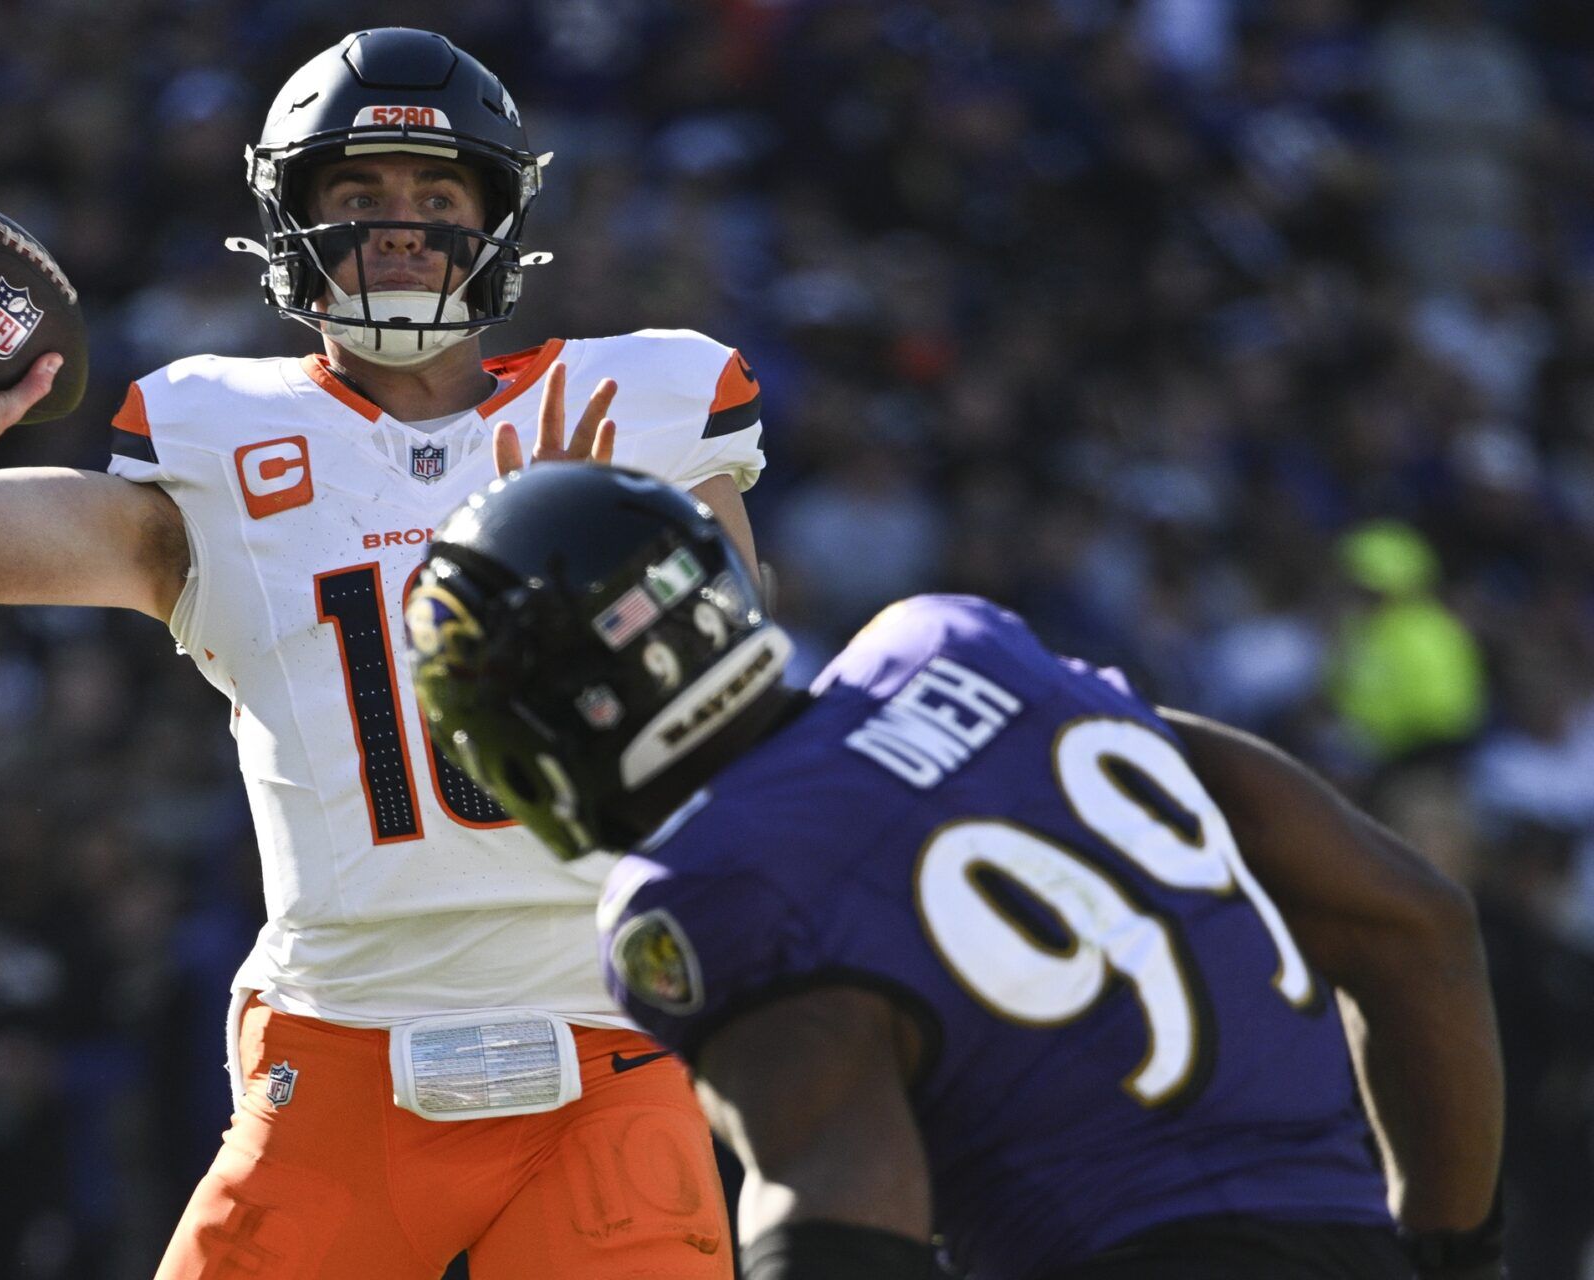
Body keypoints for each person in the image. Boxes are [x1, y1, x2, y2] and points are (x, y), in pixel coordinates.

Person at [0, 27, 760, 1278]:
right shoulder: (221, 441)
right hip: (339, 1061)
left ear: (496, 219)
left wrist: (599, 538)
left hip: (615, 1044)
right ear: (292, 222)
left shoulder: (636, 408)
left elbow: (739, 705)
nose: (400, 225)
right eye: (359, 193)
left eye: (439, 194)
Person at [407, 464, 1507, 1280]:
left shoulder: (709, 883)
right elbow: (1413, 920)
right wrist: (1452, 1252)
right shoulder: (957, 641)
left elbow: (844, 1220)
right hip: (1351, 1240)